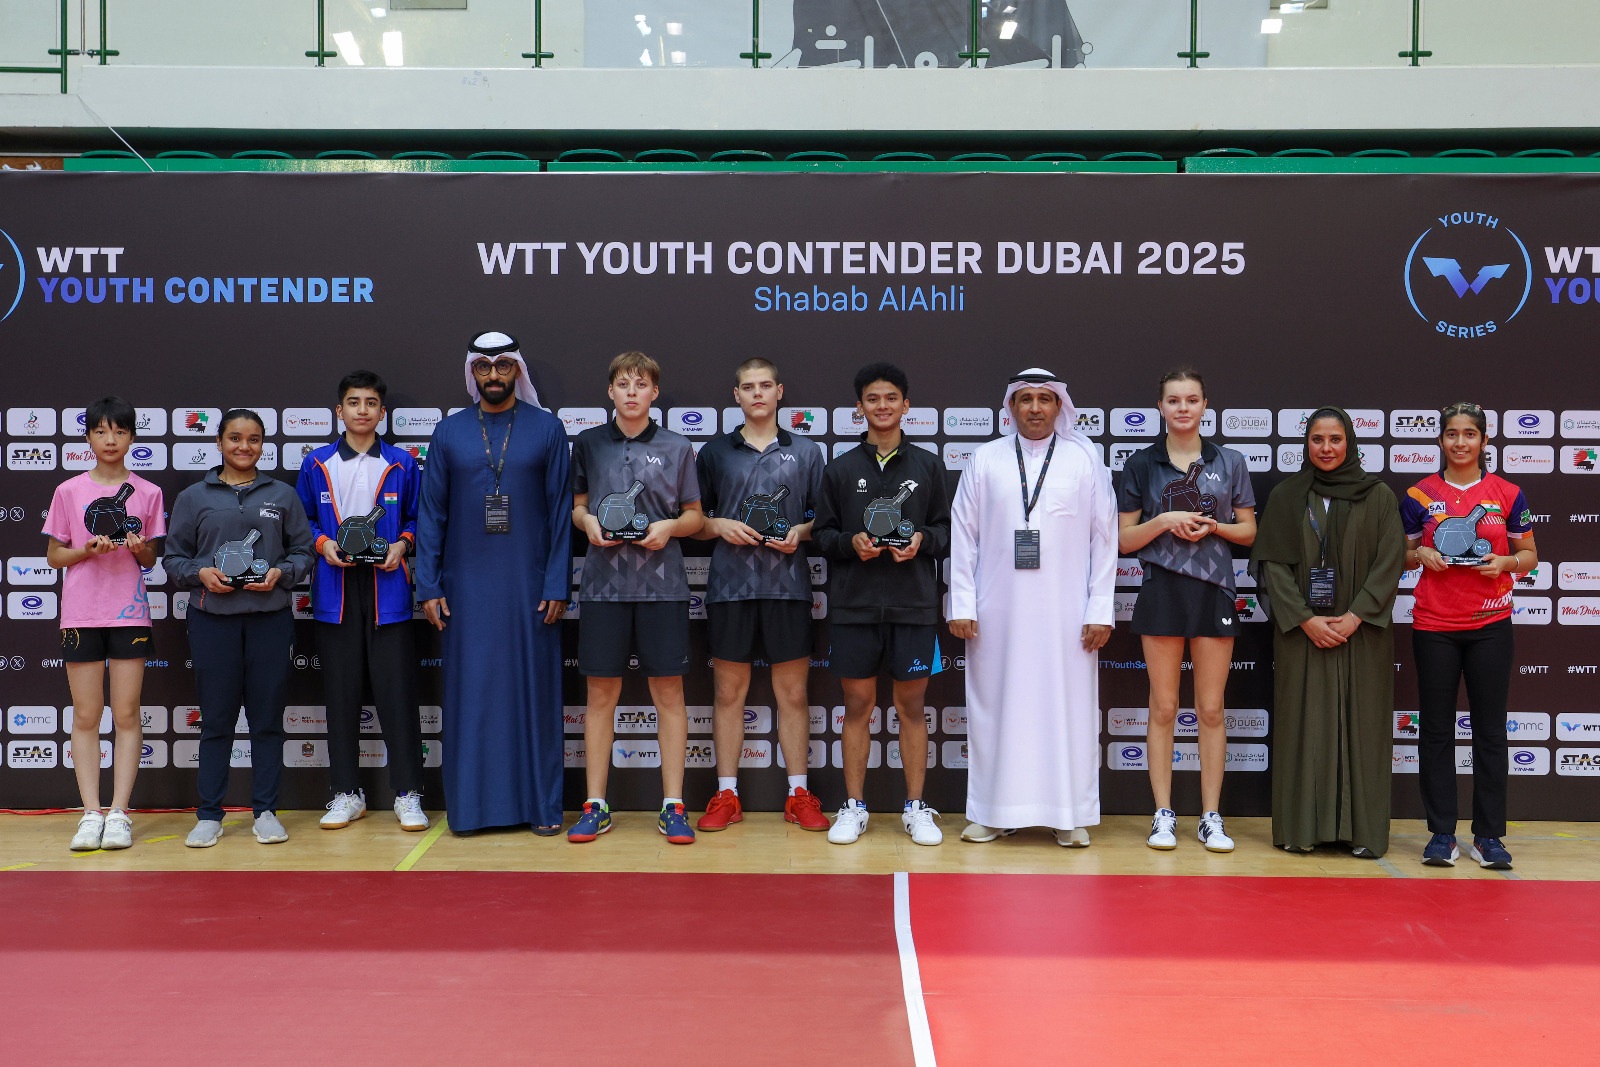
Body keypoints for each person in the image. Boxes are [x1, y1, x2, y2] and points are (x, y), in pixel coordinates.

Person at [947, 369, 1116, 847]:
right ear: (1011, 407)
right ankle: (993, 812)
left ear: (1060, 406)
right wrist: (962, 602)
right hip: (996, 613)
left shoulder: (1085, 460)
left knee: (1068, 710)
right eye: (1026, 399)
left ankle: (1068, 814)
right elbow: (964, 537)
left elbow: (1105, 539)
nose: (1036, 408)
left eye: (1045, 399)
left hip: (1068, 615)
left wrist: (1099, 610)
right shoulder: (985, 459)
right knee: (997, 710)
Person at [416, 331, 572, 836]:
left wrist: (557, 583)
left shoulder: (548, 429)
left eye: (503, 365)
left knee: (534, 695)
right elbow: (431, 514)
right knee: (473, 695)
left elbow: (561, 513)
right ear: (472, 372)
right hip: (465, 589)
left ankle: (542, 808)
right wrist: (428, 584)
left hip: (531, 587)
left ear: (517, 370)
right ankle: (471, 811)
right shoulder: (449, 432)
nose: (494, 375)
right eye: (483, 367)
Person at [1251, 407, 1406, 858]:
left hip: (1363, 633)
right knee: (1304, 726)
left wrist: (1356, 615)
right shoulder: (1287, 496)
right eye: (1317, 439)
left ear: (1350, 443)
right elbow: (1273, 567)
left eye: (1335, 439)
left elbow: (1390, 560)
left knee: (1364, 727)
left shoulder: (1378, 496)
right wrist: (1305, 619)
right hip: (1302, 634)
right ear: (1306, 444)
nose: (1326, 448)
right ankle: (1301, 829)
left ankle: (1364, 834)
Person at [1117, 369, 1256, 853]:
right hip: (1162, 589)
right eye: (1173, 400)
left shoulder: (1230, 461)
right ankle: (1163, 814)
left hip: (1214, 590)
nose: (1182, 408)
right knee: (1164, 706)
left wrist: (1213, 527)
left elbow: (1248, 532)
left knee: (1211, 709)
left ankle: (1211, 816)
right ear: (1160, 407)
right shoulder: (1141, 463)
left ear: (1204, 405)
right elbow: (1124, 539)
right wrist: (1165, 520)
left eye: (1191, 400)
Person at [567, 351, 704, 844]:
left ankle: (673, 805)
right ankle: (596, 804)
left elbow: (695, 516)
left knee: (669, 693)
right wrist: (588, 523)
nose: (631, 392)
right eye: (623, 384)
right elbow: (578, 507)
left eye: (640, 384)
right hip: (602, 587)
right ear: (610, 391)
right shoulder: (588, 443)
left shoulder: (677, 446)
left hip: (663, 588)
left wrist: (669, 528)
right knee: (600, 695)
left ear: (654, 392)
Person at [813, 362, 951, 846]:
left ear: (906, 405)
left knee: (912, 707)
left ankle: (915, 807)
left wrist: (922, 541)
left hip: (914, 607)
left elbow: (946, 530)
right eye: (872, 398)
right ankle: (853, 806)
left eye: (891, 397)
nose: (882, 406)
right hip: (854, 607)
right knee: (857, 705)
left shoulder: (928, 466)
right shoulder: (840, 468)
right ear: (860, 408)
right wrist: (850, 543)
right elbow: (822, 535)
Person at [166, 409, 315, 847]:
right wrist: (200, 574)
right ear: (219, 443)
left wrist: (282, 574)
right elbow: (173, 558)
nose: (243, 446)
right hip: (212, 621)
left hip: (270, 619)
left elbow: (303, 551)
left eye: (253, 439)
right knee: (216, 721)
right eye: (234, 438)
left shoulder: (282, 495)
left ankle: (265, 811)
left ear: (262, 444)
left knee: (267, 721)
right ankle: (209, 814)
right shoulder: (194, 496)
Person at [692, 357, 829, 833]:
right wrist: (718, 526)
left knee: (792, 693)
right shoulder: (714, 453)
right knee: (729, 693)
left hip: (787, 587)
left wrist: (800, 532)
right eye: (748, 387)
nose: (757, 394)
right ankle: (727, 794)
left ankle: (798, 794)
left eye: (765, 386)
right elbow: (693, 521)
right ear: (737, 396)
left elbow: (824, 522)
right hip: (729, 588)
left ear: (779, 392)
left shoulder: (806, 451)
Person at [1400, 401, 1537, 870]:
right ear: (1440, 440)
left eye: (1469, 434)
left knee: (1490, 730)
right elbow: (1401, 554)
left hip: (1491, 626)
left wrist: (1506, 563)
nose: (1460, 442)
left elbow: (1530, 554)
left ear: (1483, 440)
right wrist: (1420, 556)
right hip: (1434, 625)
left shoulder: (1508, 493)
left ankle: (1488, 836)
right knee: (1436, 730)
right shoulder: (1419, 494)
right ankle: (1441, 834)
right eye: (1452, 434)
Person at [296, 370, 427, 833]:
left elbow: (417, 518)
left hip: (388, 590)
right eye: (354, 402)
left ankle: (408, 793)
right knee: (341, 695)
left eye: (371, 403)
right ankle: (346, 793)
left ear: (382, 412)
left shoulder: (402, 463)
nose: (362, 410)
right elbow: (302, 521)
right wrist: (323, 544)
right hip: (335, 592)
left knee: (397, 695)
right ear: (340, 410)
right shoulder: (316, 463)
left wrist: (402, 545)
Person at [43, 396, 165, 851]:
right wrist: (86, 550)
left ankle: (119, 813)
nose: (110, 440)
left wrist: (137, 548)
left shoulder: (148, 492)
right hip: (81, 613)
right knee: (86, 714)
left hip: (129, 612)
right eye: (100, 431)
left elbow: (150, 557)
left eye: (119, 431)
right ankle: (90, 812)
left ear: (131, 437)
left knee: (127, 713)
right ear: (88, 437)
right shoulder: (68, 491)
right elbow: (55, 556)